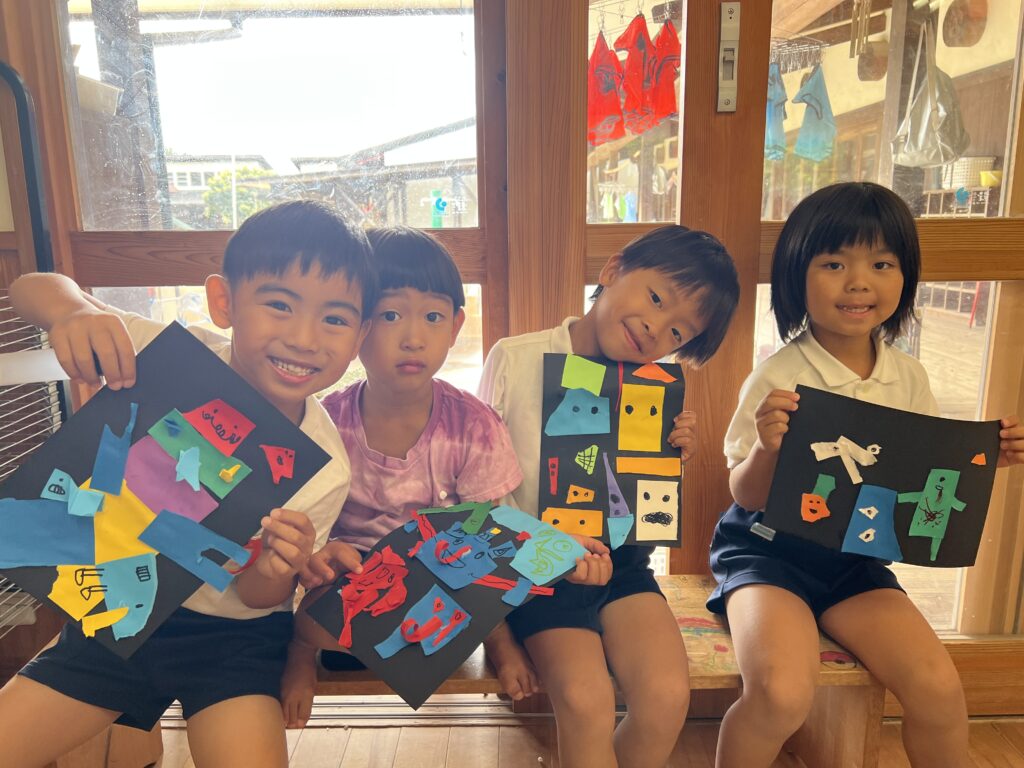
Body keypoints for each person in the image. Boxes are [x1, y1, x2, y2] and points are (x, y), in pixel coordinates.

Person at [3, 200, 375, 768]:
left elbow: (256, 598)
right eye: (279, 304)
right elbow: (30, 288)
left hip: (234, 643)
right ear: (224, 302)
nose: (305, 338)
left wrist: (278, 568)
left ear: (360, 334)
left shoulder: (324, 466)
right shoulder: (171, 357)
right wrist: (70, 311)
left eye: (336, 319)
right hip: (116, 612)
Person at [707, 182, 1024, 768]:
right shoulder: (778, 375)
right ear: (797, 277)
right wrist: (769, 449)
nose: (859, 283)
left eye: (882, 264)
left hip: (854, 562)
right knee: (780, 693)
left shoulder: (907, 376)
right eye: (834, 264)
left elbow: (925, 478)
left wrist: (983, 461)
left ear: (905, 277)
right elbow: (745, 494)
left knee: (939, 689)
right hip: (767, 555)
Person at [479, 225, 740, 768]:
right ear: (613, 270)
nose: (655, 329)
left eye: (677, 332)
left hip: (620, 566)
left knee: (667, 697)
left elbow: (640, 509)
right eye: (656, 298)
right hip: (536, 568)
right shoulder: (517, 357)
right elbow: (480, 487)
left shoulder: (652, 388)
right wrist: (545, 552)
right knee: (587, 702)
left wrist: (667, 458)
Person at [280, 226, 545, 728]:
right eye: (390, 315)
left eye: (433, 317)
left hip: (442, 571)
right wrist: (320, 559)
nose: (413, 337)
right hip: (356, 575)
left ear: (456, 324)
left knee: (478, 579)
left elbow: (489, 535)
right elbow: (307, 527)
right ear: (356, 324)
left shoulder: (473, 424)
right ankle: (300, 650)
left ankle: (499, 640)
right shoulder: (326, 422)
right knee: (314, 619)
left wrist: (495, 629)